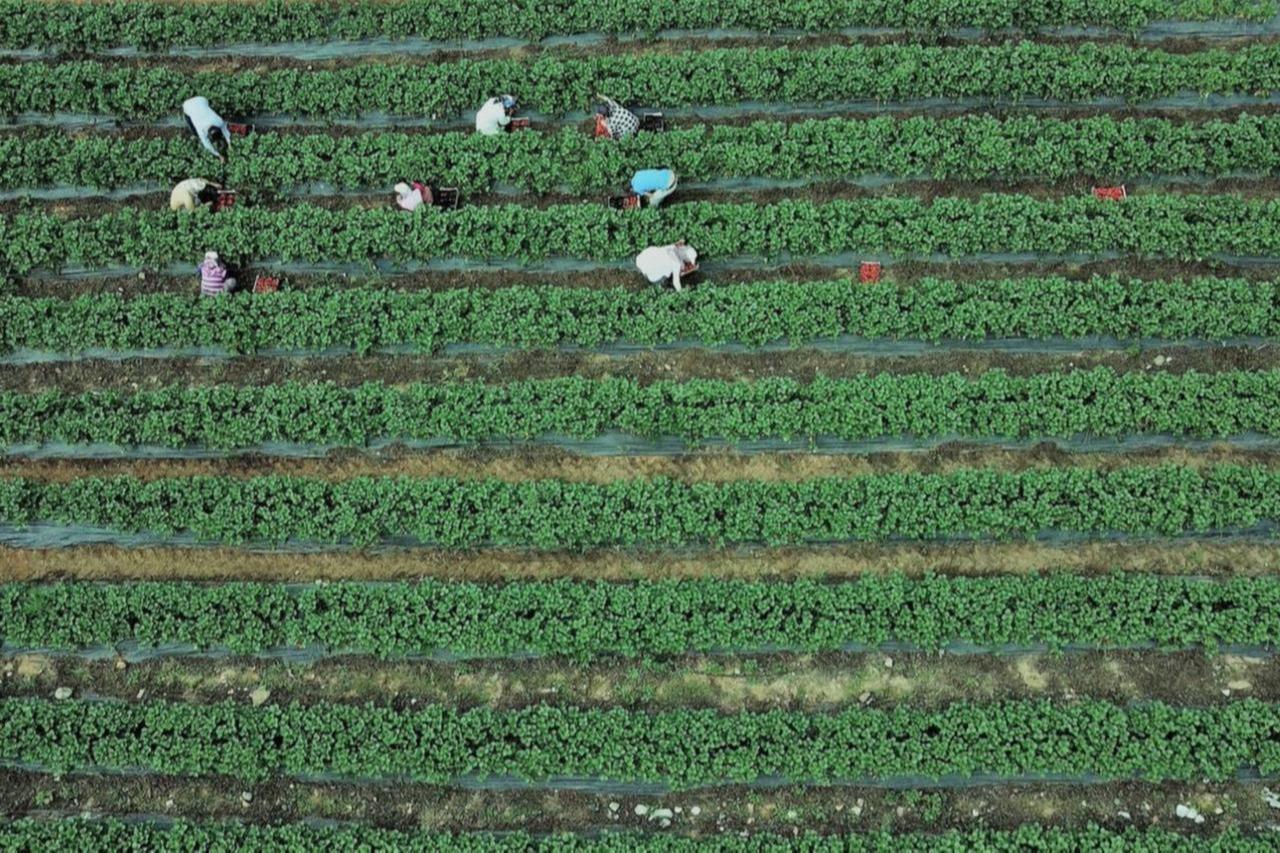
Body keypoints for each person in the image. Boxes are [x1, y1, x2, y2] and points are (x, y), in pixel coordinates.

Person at [182, 96, 232, 160]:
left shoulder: (219, 121)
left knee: (208, 109)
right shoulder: (201, 131)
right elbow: (207, 145)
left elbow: (225, 130)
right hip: (187, 105)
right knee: (194, 131)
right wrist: (218, 155)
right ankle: (195, 135)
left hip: (201, 99)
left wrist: (229, 143)